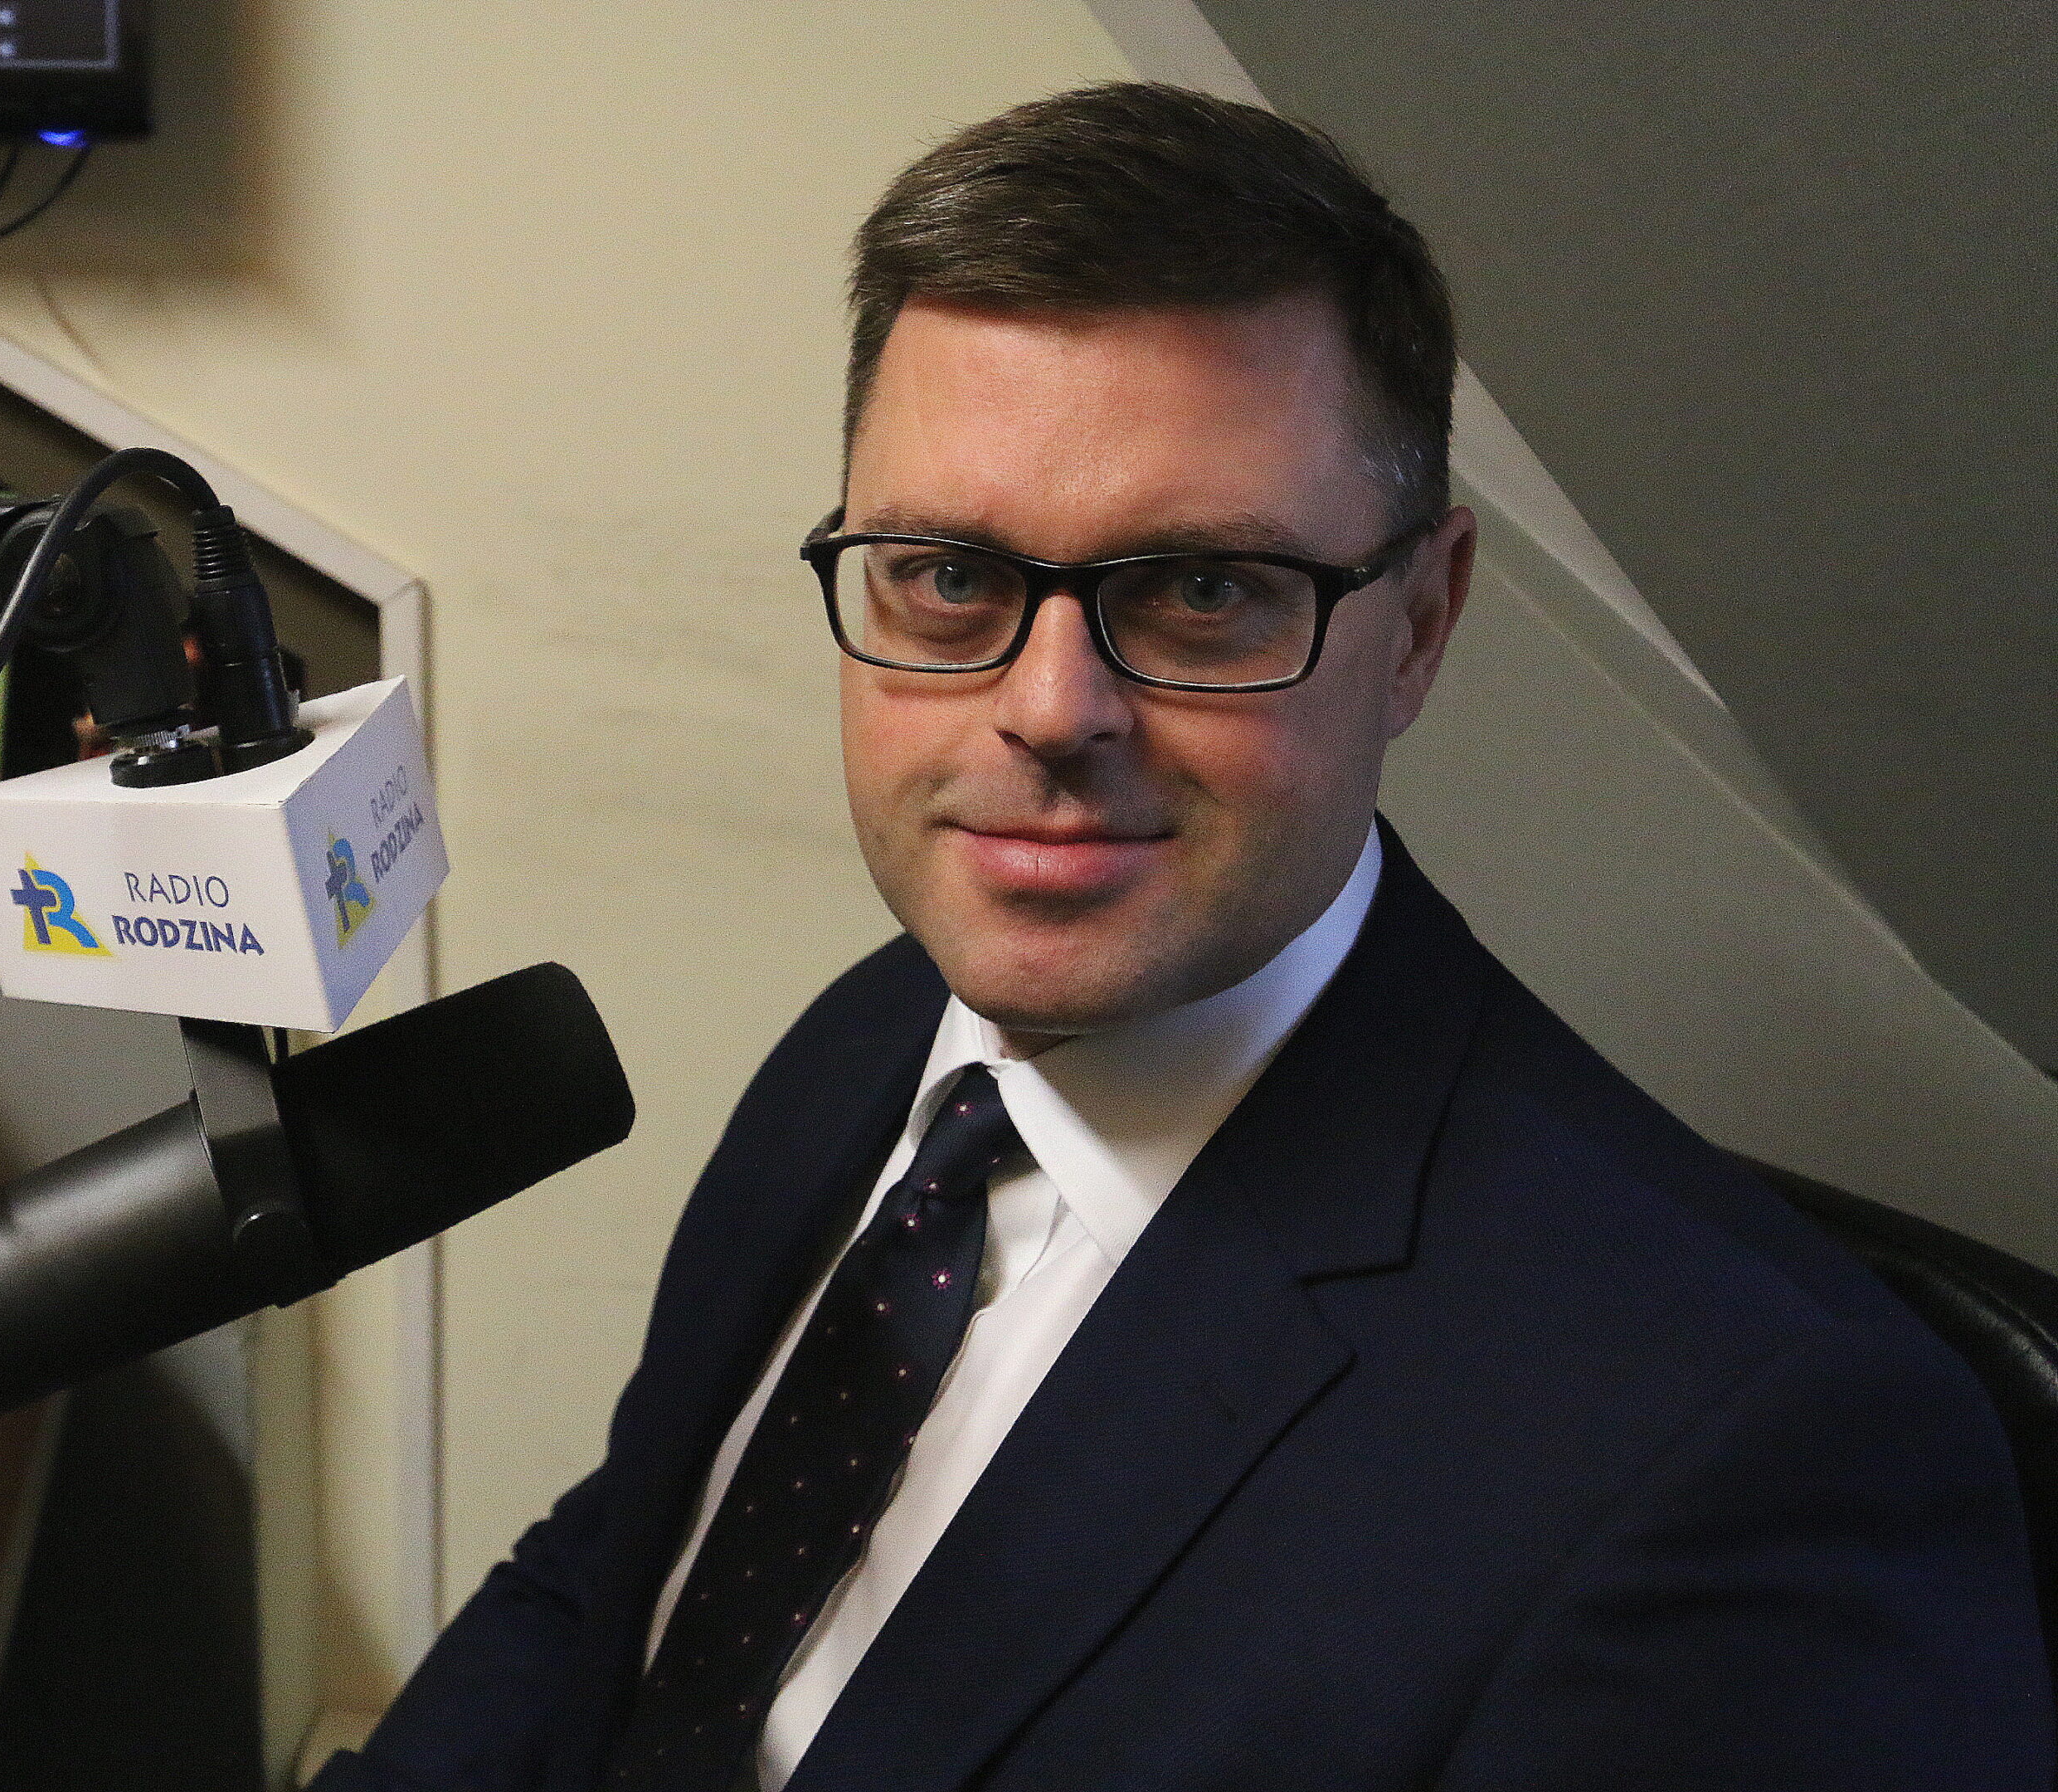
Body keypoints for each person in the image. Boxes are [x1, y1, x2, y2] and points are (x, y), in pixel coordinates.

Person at [316, 84, 2050, 1790]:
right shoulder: (882, 1032)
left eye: (1204, 590)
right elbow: (616, 1585)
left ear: (1420, 623)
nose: (1048, 710)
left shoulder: (1755, 1456)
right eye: (948, 576)